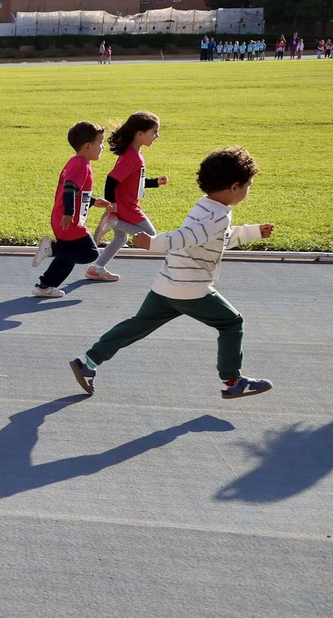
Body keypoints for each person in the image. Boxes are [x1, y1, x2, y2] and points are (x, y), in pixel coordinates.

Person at [70, 147, 275, 401]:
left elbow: (214, 239)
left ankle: (88, 361)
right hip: (190, 289)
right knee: (231, 323)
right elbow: (184, 238)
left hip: (166, 284)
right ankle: (233, 380)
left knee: (137, 325)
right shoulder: (218, 216)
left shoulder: (205, 206)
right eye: (248, 186)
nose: (247, 191)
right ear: (234, 187)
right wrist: (152, 243)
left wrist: (253, 232)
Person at [30, 121, 111, 297]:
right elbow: (70, 189)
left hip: (63, 218)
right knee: (89, 253)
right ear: (88, 146)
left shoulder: (76, 162)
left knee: (68, 257)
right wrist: (69, 213)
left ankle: (44, 287)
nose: (102, 147)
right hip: (69, 221)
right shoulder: (81, 164)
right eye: (100, 143)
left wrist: (93, 201)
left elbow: (77, 192)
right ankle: (51, 248)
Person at [88, 111, 168, 282]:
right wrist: (113, 204)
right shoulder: (132, 157)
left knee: (120, 237)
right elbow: (111, 179)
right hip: (126, 206)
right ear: (140, 133)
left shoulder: (135, 154)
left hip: (126, 204)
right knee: (150, 235)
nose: (157, 136)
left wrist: (154, 182)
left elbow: (133, 181)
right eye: (154, 132)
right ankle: (113, 222)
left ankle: (97, 268)